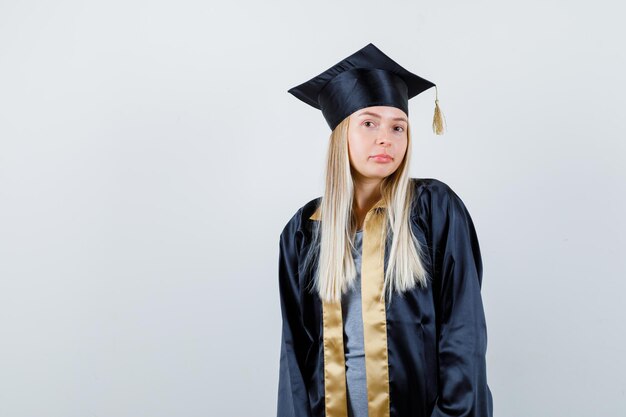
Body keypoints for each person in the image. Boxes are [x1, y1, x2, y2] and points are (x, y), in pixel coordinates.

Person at [277, 43, 493, 417]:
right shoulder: (304, 231)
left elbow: (463, 335)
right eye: (369, 123)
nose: (385, 138)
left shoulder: (433, 209)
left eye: (399, 127)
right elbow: (296, 355)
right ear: (340, 134)